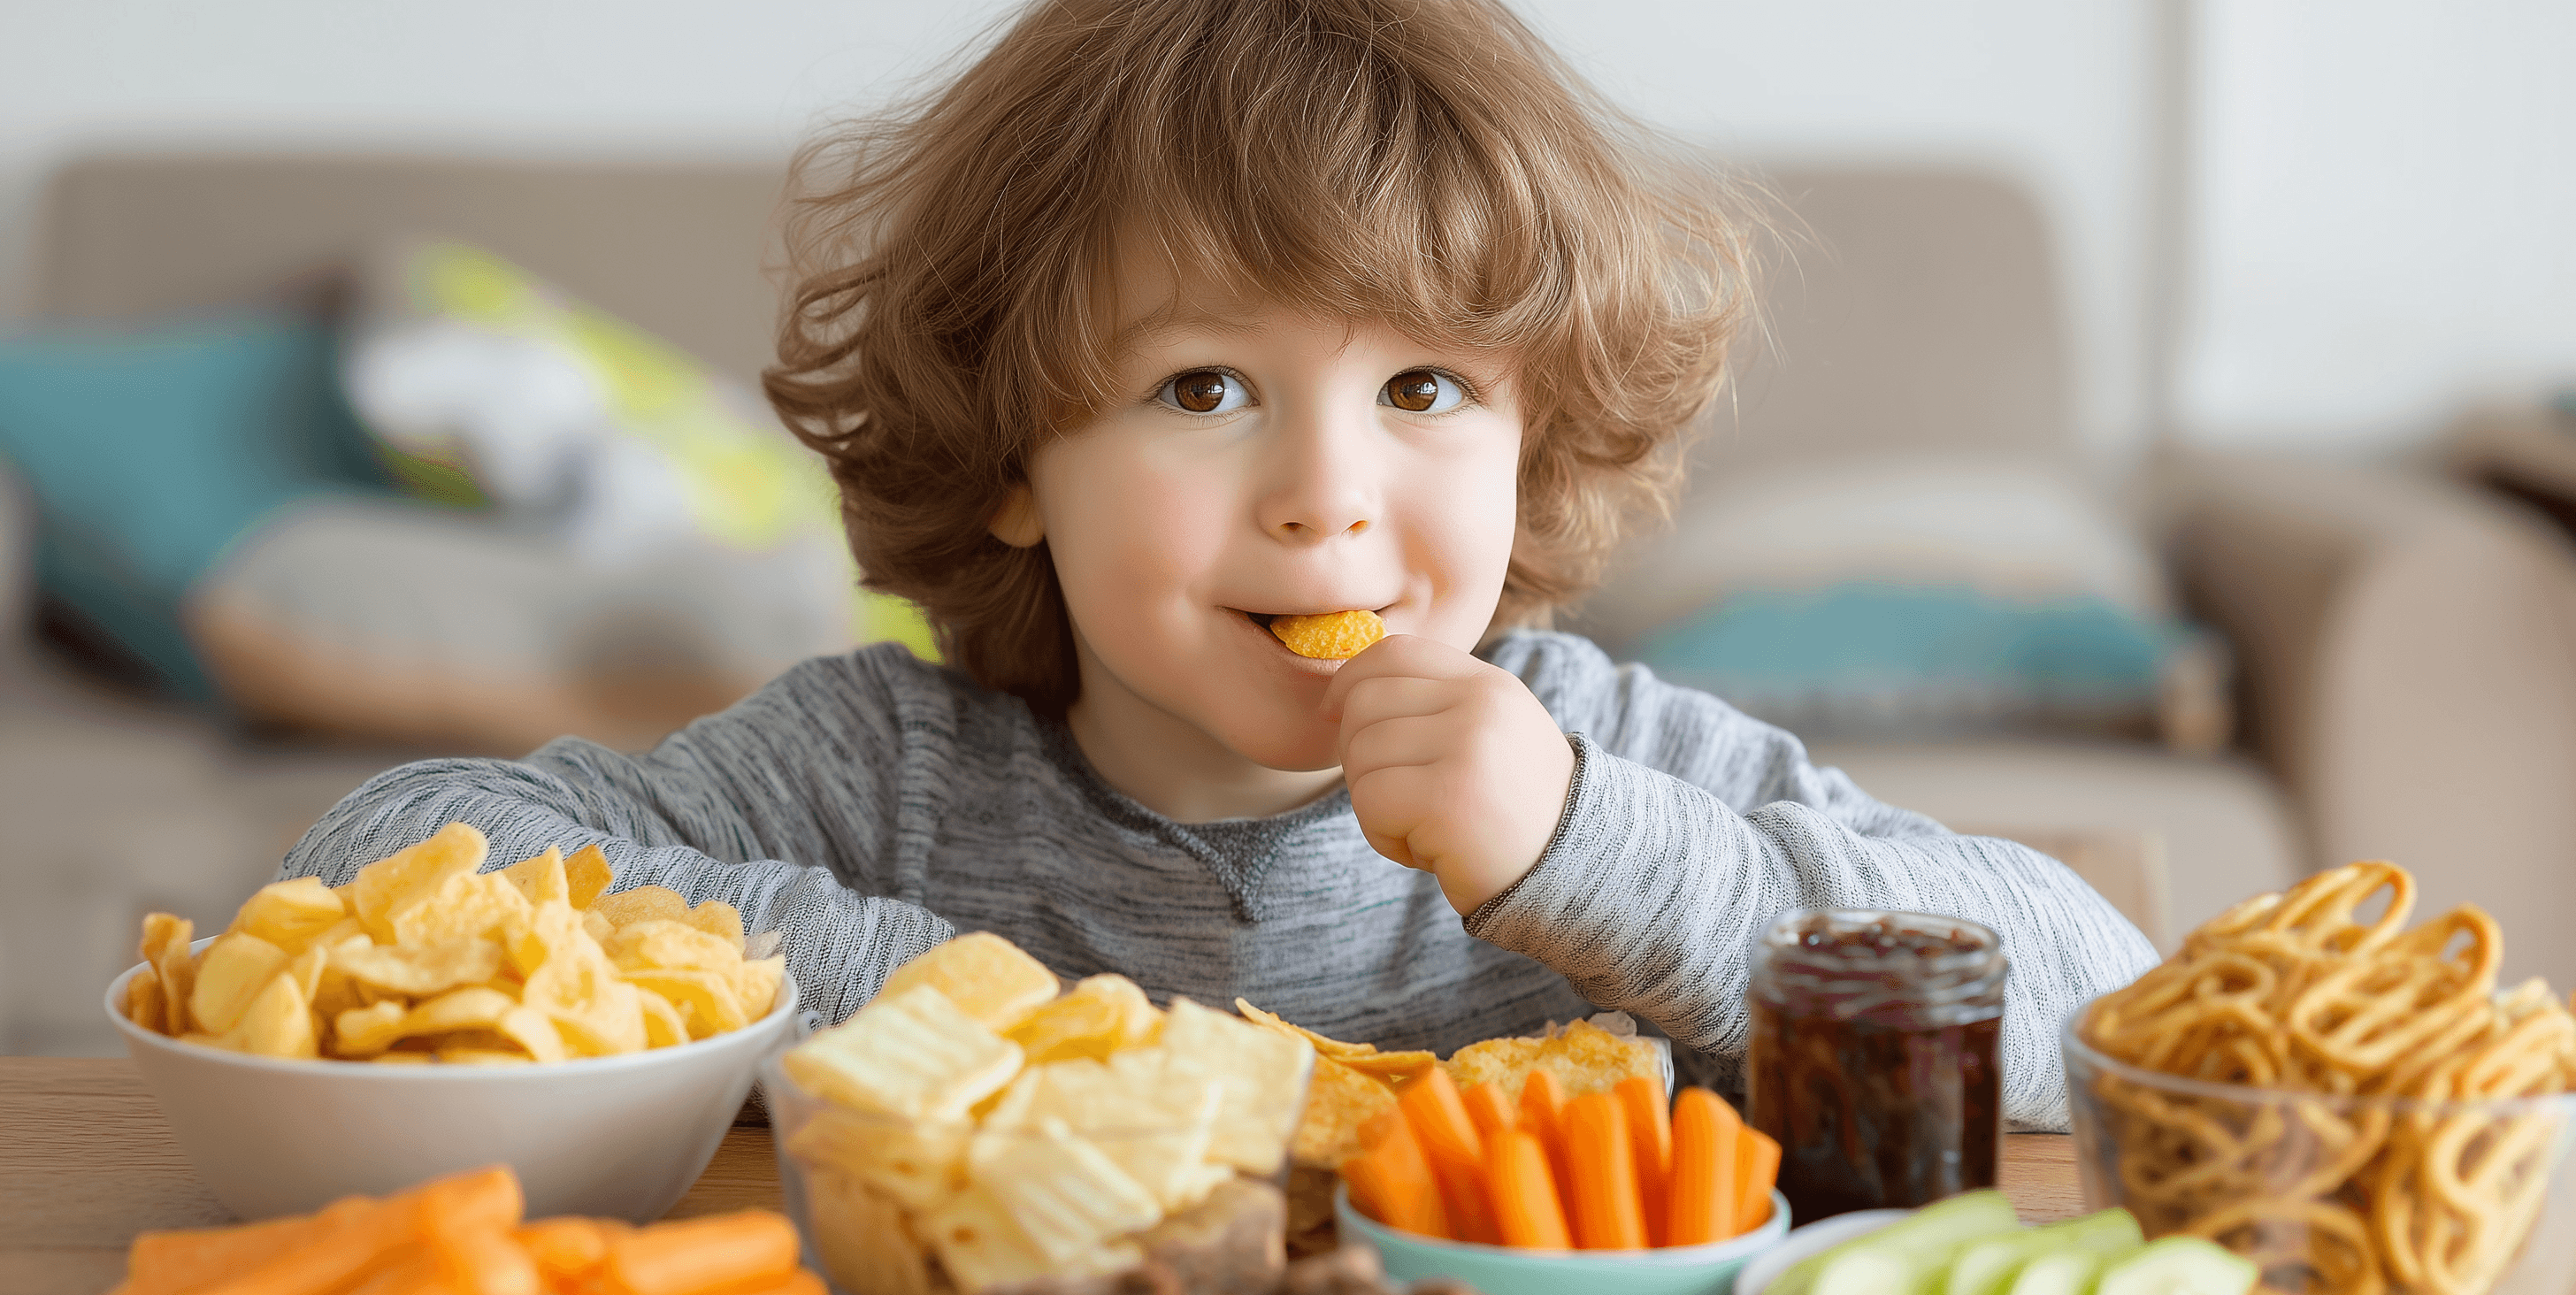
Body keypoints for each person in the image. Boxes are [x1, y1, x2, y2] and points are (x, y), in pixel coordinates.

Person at [283, 0, 2154, 1129]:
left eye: (1422, 384)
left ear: (1530, 437)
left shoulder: (1601, 761)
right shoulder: (884, 780)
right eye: (1202, 387)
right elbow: (372, 863)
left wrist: (1597, 855)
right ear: (1020, 459)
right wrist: (974, 1012)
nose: (1325, 496)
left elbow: (2094, 1006)